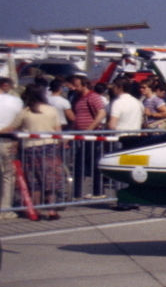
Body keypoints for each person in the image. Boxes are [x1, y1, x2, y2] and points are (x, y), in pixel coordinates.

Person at [2, 86, 66, 219]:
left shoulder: (25, 111)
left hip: (30, 148)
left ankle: (36, 210)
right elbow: (58, 130)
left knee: (34, 180)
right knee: (51, 180)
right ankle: (52, 210)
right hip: (50, 147)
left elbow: (11, 128)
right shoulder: (51, 110)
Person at [69, 76, 107, 197]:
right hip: (81, 136)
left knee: (89, 165)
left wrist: (90, 129)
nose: (74, 88)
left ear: (85, 85)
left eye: (77, 85)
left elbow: (101, 113)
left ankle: (95, 191)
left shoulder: (93, 97)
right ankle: (78, 192)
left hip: (91, 137)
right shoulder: (77, 98)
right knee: (80, 165)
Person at [0, 77, 23, 219]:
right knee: (8, 177)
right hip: (9, 140)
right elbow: (19, 122)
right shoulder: (15, 101)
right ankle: (5, 209)